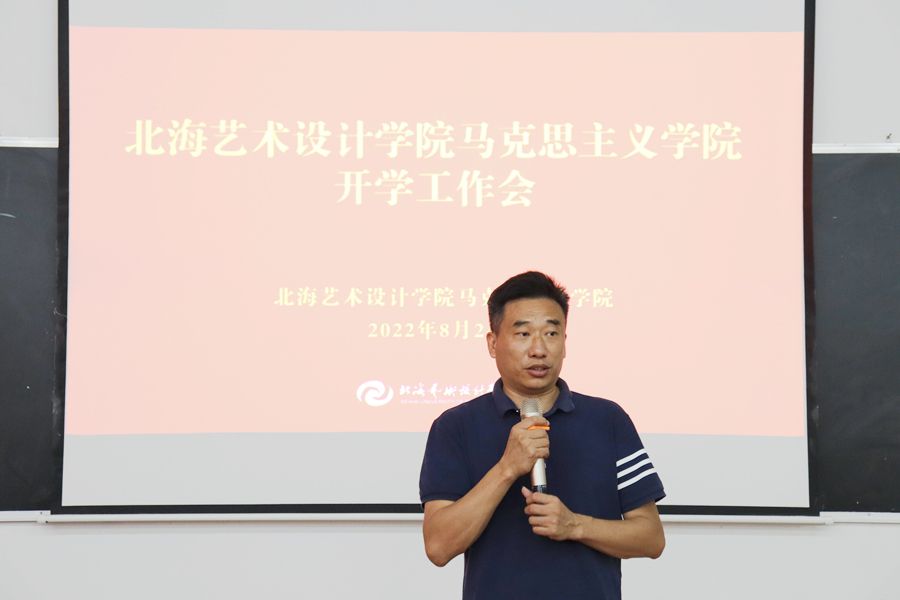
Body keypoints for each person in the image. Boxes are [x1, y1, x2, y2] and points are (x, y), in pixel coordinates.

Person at [419, 271, 665, 599]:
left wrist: (575, 525)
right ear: (493, 343)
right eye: (523, 334)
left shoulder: (608, 419)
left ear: (565, 341)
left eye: (551, 333)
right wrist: (507, 468)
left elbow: (651, 538)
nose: (539, 349)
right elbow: (438, 547)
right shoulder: (455, 426)